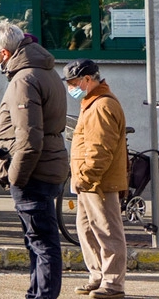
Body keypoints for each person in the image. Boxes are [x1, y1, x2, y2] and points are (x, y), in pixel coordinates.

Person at [0, 22, 68, 299]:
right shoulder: (43, 71)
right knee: (37, 241)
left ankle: (43, 295)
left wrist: (15, 177)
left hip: (34, 172)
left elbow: (29, 138)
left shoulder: (25, 79)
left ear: (5, 53)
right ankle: (35, 293)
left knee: (42, 242)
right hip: (46, 165)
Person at [65, 59, 128, 299]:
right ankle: (98, 277)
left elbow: (100, 148)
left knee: (106, 232)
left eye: (73, 83)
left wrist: (86, 176)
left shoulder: (101, 105)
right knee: (87, 230)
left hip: (98, 182)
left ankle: (113, 284)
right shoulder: (91, 102)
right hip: (88, 181)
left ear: (88, 80)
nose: (71, 88)